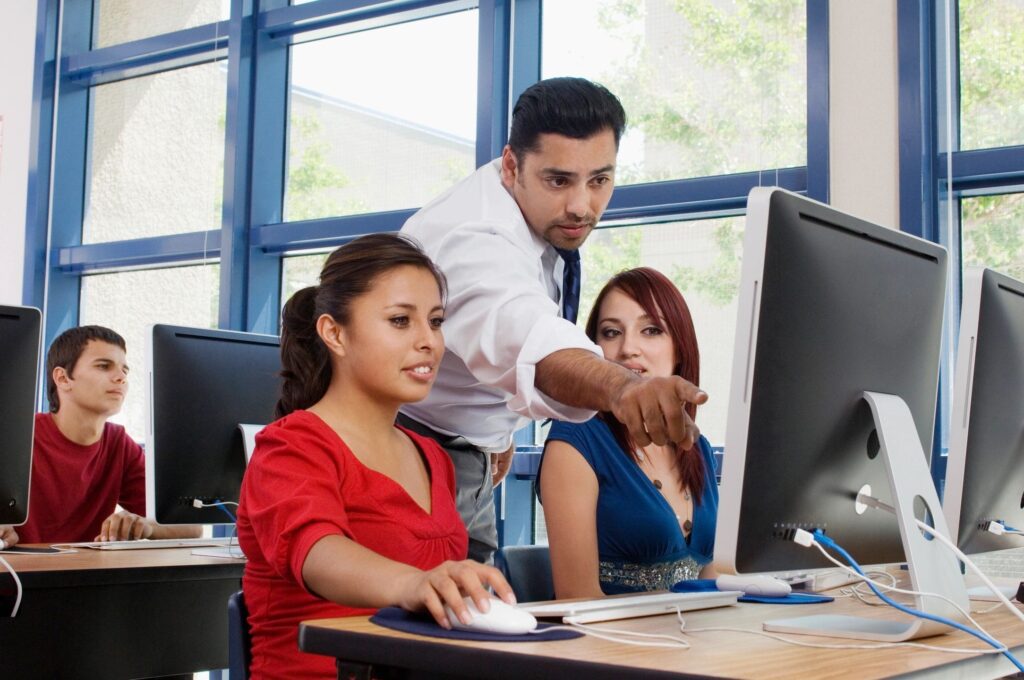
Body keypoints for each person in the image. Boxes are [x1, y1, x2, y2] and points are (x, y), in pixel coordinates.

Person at [401, 77, 707, 564]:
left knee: (472, 621)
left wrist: (498, 432)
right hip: (413, 457)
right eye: (558, 180)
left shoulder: (538, 217)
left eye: (599, 181)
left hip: (469, 450)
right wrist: (624, 389)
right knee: (426, 633)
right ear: (510, 166)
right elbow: (527, 336)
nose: (581, 206)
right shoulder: (472, 237)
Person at [236, 233, 515, 680]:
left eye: (436, 321)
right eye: (401, 321)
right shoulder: (290, 447)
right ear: (334, 333)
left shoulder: (432, 456)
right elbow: (318, 552)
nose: (429, 341)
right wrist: (411, 583)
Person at [539, 268, 718, 598]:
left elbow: (713, 575)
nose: (627, 349)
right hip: (611, 646)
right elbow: (578, 599)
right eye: (610, 333)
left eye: (650, 330)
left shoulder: (699, 449)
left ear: (680, 348)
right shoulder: (576, 442)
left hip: (693, 640)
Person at [11, 325, 200, 545]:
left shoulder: (119, 444)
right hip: (15, 575)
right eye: (104, 366)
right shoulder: (19, 437)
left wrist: (146, 526)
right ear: (62, 378)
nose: (121, 378)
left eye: (125, 370)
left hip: (88, 576)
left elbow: (191, 526)